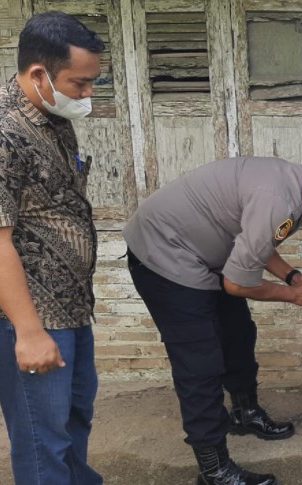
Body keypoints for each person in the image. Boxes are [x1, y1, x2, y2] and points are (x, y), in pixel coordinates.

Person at [124, 148, 302, 485]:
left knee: (238, 333)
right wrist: (292, 295)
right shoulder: (279, 199)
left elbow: (257, 242)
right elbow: (237, 283)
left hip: (201, 255)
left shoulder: (294, 188)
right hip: (165, 255)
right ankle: (214, 470)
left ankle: (244, 412)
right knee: (200, 363)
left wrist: (293, 277)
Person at [0, 12, 104, 485]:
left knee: (74, 421)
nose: (87, 95)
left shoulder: (51, 115)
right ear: (39, 74)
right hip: (34, 316)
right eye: (79, 83)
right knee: (45, 442)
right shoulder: (4, 134)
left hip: (72, 307)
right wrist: (28, 332)